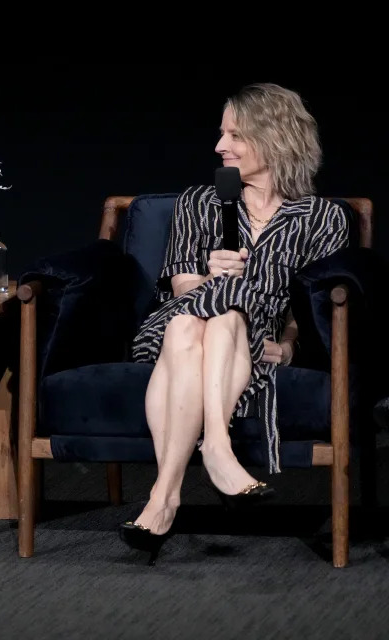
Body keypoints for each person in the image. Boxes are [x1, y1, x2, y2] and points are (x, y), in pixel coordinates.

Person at [120, 83, 349, 562]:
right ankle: (218, 449)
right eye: (221, 133)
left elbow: (311, 308)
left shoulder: (322, 217)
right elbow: (183, 291)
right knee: (200, 315)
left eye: (236, 135)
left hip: (252, 333)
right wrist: (211, 273)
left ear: (277, 138)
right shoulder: (200, 201)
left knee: (211, 322)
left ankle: (163, 498)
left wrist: (287, 348)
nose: (220, 145)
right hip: (180, 318)